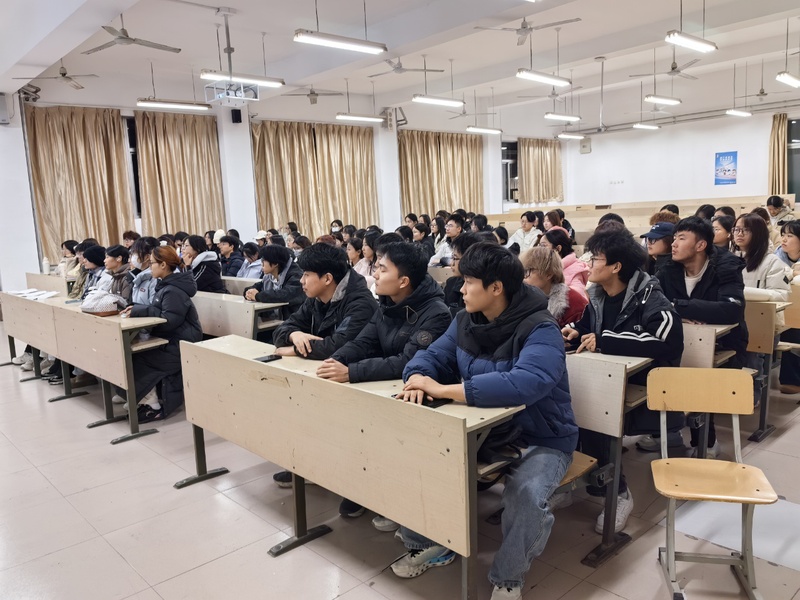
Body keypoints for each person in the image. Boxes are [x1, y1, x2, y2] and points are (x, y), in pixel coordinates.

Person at [392, 243, 577, 600]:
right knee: (418, 454)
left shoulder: (541, 328)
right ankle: (430, 542)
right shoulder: (465, 320)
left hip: (541, 437)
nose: (460, 289)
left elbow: (527, 382)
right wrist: (416, 378)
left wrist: (445, 390)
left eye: (468, 282)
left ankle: (508, 577)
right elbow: (431, 356)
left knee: (525, 494)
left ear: (496, 288)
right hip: (487, 430)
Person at [317, 242, 452, 519]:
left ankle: (397, 501)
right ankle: (363, 487)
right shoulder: (386, 304)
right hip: (388, 385)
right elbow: (362, 341)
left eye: (382, 269)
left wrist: (352, 373)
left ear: (403, 281)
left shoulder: (436, 312)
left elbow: (407, 360)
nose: (375, 274)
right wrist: (335, 361)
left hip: (424, 395)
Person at [562, 228, 683, 533]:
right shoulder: (598, 297)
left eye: (595, 259)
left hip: (642, 383)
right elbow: (588, 327)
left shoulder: (650, 296)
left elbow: (667, 340)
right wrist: (576, 331)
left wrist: (604, 340)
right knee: (562, 404)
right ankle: (570, 482)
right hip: (604, 377)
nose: (588, 264)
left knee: (593, 411)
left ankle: (619, 493)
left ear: (616, 266)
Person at [270, 244, 377, 487]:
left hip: (353, 380)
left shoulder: (360, 302)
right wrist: (295, 335)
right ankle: (308, 465)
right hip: (321, 372)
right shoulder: (316, 298)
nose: (302, 281)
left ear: (328, 278)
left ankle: (344, 480)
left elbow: (338, 347)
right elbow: (282, 330)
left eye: (307, 275)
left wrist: (295, 348)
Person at [656, 216, 748, 458]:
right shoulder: (668, 268)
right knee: (656, 363)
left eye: (681, 238)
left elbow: (732, 310)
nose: (673, 244)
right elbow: (653, 304)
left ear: (700, 245)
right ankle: (667, 431)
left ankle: (706, 440)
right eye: (674, 238)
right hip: (680, 341)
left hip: (724, 345)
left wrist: (678, 306)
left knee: (698, 373)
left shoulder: (726, 267)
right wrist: (680, 316)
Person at [119, 245, 202, 422]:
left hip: (180, 344)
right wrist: (139, 309)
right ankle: (140, 397)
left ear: (163, 265)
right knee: (131, 354)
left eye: (152, 263)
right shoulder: (165, 285)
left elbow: (169, 321)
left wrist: (141, 310)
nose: (150, 267)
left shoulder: (173, 290)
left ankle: (152, 404)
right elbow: (160, 312)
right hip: (170, 339)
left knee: (139, 358)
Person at [521, 246, 587, 327]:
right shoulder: (524, 297)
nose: (523, 276)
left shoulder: (572, 303)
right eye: (522, 271)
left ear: (548, 274)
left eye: (528, 271)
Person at [243, 244, 304, 320]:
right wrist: (249, 292)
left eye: (264, 261)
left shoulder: (296, 275)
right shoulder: (269, 276)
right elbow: (259, 286)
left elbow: (285, 295)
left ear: (275, 263)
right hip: (273, 318)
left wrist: (258, 296)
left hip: (291, 320)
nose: (261, 264)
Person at [443, 232, 496, 317]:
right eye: (452, 257)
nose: (452, 263)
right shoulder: (451, 283)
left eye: (455, 258)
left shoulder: (483, 286)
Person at [775, 220, 800, 394]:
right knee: (788, 327)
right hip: (786, 306)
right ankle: (791, 379)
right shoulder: (777, 256)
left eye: (790, 236)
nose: (784, 239)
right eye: (783, 235)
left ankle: (793, 379)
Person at [538, 228, 588, 295]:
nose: (539, 249)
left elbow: (578, 295)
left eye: (543, 246)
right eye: (539, 245)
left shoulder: (575, 269)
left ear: (558, 248)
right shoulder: (539, 265)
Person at [130, 236, 160, 306]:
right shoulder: (138, 276)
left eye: (135, 252)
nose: (133, 256)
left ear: (147, 257)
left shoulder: (155, 277)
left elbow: (154, 307)